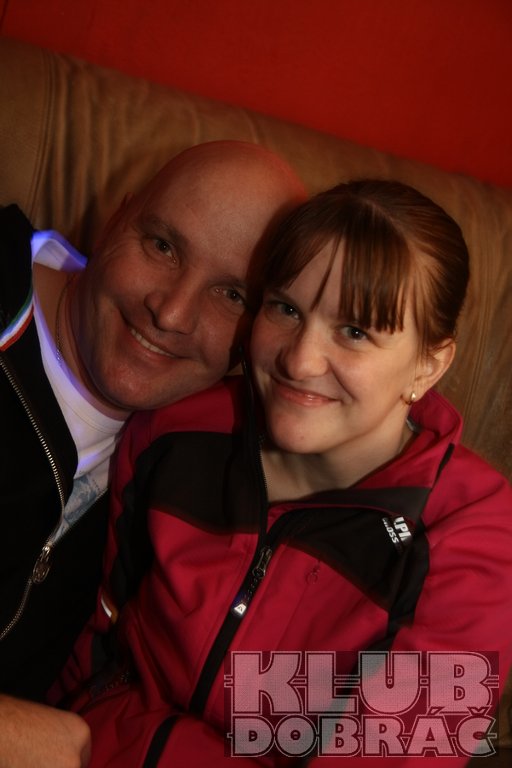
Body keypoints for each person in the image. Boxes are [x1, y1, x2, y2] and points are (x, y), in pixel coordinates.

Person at [59, 180, 512, 767]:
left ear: (428, 364)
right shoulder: (174, 428)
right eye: (286, 309)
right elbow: (88, 635)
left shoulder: (479, 537)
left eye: (355, 331)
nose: (299, 361)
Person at [0, 140, 306, 768]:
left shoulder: (200, 465)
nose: (170, 312)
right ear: (118, 215)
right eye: (163, 246)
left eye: (232, 295)